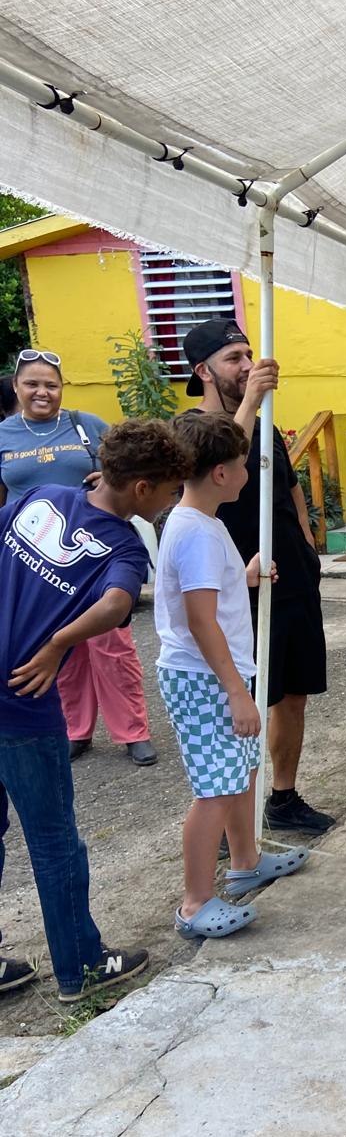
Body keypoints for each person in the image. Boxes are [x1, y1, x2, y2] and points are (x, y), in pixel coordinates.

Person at [0, 419, 191, 1000]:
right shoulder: (126, 546)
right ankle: (80, 968)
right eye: (169, 492)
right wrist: (57, 644)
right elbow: (114, 604)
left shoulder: (42, 496)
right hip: (23, 699)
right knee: (53, 841)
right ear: (142, 489)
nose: (170, 503)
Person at [155, 413, 310, 939]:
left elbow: (202, 598)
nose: (250, 472)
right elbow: (200, 622)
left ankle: (246, 861)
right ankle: (195, 902)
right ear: (221, 473)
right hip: (206, 680)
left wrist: (241, 577)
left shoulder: (204, 524)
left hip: (217, 676)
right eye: (245, 464)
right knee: (215, 790)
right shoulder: (196, 532)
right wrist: (238, 692)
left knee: (239, 773)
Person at [183, 319, 333, 835]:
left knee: (293, 693)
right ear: (203, 371)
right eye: (234, 359)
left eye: (249, 355)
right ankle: (232, 819)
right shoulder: (191, 429)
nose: (247, 366)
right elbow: (224, 460)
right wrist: (250, 402)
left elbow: (289, 488)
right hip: (237, 586)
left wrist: (308, 547)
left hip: (292, 578)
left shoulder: (265, 423)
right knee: (243, 701)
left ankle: (283, 799)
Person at [0, 348, 159, 766]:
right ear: (16, 386)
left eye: (51, 385)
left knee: (112, 648)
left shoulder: (84, 424)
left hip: (96, 553)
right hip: (37, 556)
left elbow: (125, 466)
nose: (42, 392)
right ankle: (77, 729)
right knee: (62, 655)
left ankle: (133, 731)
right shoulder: (4, 435)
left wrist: (105, 477)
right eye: (32, 384)